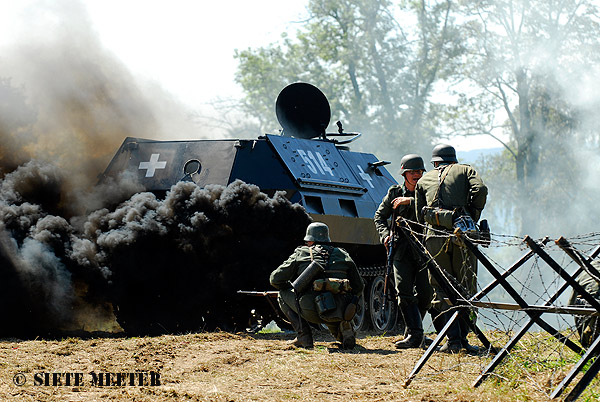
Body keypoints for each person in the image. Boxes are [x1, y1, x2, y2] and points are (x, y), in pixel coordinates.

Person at [415, 144, 488, 353]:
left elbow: (420, 215)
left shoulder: (423, 179)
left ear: (435, 162)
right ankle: (463, 340)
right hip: (461, 235)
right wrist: (472, 215)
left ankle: (453, 340)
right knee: (465, 287)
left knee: (441, 288)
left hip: (434, 237)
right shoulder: (465, 170)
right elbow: (480, 190)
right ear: (453, 160)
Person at [270, 222, 365, 349]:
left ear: (309, 241)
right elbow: (359, 286)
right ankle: (345, 330)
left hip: (311, 310)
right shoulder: (342, 254)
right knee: (333, 305)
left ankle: (304, 337)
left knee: (282, 294)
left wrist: (294, 287)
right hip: (340, 309)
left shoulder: (301, 252)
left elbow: (275, 279)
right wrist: (351, 302)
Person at [374, 154, 433, 349]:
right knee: (404, 292)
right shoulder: (393, 192)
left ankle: (413, 331)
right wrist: (385, 236)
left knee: (426, 293)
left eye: (419, 171)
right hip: (401, 249)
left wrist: (408, 201)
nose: (417, 175)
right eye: (413, 172)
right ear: (404, 174)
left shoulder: (427, 192)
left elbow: (431, 208)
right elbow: (379, 217)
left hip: (424, 249)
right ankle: (415, 334)